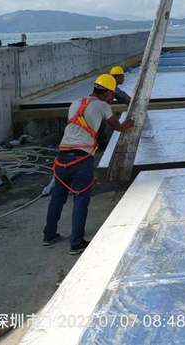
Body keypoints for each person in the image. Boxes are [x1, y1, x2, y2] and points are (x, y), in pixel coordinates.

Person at [43, 74, 135, 254]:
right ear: (108, 92)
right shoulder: (102, 105)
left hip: (62, 157)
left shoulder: (75, 103)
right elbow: (118, 126)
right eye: (112, 95)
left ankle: (49, 235)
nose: (112, 98)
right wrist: (130, 123)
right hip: (81, 159)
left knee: (57, 198)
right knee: (80, 199)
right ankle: (76, 243)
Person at [96, 66, 132, 150]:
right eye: (122, 76)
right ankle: (102, 144)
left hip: (99, 108)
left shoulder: (108, 84)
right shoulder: (110, 85)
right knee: (101, 125)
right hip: (99, 108)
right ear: (115, 76)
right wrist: (134, 103)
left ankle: (101, 143)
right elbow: (122, 97)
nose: (123, 79)